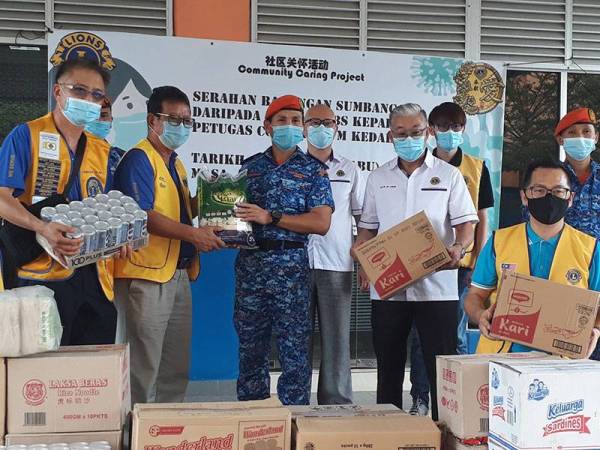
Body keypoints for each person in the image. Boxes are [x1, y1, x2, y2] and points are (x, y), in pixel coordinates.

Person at [355, 103, 477, 420]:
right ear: (389, 136)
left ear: (428, 133)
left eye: (416, 132)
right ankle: (389, 431)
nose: (409, 138)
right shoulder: (377, 177)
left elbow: (466, 223)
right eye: (401, 133)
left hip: (437, 287)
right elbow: (367, 228)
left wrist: (459, 247)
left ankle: (445, 431)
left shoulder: (448, 175)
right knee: (389, 366)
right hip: (389, 289)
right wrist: (363, 258)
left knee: (442, 368)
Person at [113, 86, 226, 405]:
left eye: (187, 120)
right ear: (152, 120)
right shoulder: (138, 158)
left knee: (175, 365)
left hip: (177, 274)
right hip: (147, 277)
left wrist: (211, 199)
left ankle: (169, 430)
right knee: (144, 365)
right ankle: (136, 431)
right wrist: (194, 235)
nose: (182, 126)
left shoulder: (175, 163)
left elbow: (179, 209)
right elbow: (143, 214)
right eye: (173, 119)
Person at [0, 58, 123, 344]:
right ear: (58, 92)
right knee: (43, 373)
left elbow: (107, 208)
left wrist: (121, 236)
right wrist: (42, 227)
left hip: (95, 277)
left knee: (91, 374)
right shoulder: (27, 135)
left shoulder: (101, 150)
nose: (88, 100)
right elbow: (2, 197)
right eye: (79, 90)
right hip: (40, 275)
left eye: (96, 95)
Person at [234, 95, 334, 405]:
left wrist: (272, 217)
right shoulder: (249, 169)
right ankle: (252, 423)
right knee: (250, 349)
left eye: (295, 121)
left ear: (303, 128)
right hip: (251, 268)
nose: (288, 126)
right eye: (281, 121)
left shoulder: (314, 171)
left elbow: (321, 222)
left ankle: (295, 423)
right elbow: (232, 218)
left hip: (291, 270)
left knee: (294, 352)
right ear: (267, 127)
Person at [465, 159, 600, 356]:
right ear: (524, 197)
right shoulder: (498, 241)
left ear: (570, 198)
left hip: (562, 361)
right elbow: (474, 296)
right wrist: (480, 315)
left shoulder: (590, 248)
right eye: (539, 190)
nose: (549, 197)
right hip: (503, 357)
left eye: (558, 191)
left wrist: (595, 330)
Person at [305, 103, 363, 405]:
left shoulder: (349, 169)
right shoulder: (291, 167)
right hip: (295, 265)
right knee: (297, 339)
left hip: (337, 263)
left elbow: (363, 217)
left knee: (337, 341)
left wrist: (365, 260)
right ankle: (295, 401)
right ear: (304, 127)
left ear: (337, 127)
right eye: (314, 122)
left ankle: (337, 404)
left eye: (328, 122)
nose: (321, 128)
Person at [554, 107, 600, 360]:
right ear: (561, 140)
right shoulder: (552, 177)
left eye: (586, 132)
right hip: (563, 272)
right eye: (572, 133)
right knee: (564, 347)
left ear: (595, 138)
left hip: (599, 271)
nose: (580, 137)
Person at [85, 97, 126, 176]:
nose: (99, 120)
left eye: (103, 115)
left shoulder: (121, 158)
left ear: (111, 121)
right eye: (93, 115)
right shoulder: (69, 154)